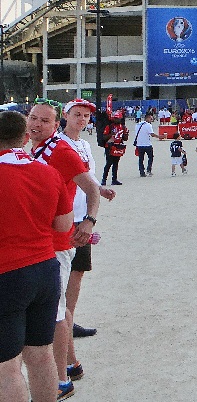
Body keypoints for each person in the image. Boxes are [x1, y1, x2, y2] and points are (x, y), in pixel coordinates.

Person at [0, 110, 73, 402]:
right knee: (41, 355)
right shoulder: (47, 171)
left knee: (7, 367)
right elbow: (64, 225)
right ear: (25, 136)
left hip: (7, 272)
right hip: (45, 268)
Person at [56, 99, 117, 385]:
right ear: (65, 116)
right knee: (64, 274)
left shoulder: (85, 146)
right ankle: (63, 325)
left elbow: (87, 176)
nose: (81, 119)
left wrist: (99, 189)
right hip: (68, 218)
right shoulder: (58, 144)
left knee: (77, 274)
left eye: (85, 116)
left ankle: (70, 320)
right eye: (76, 115)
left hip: (83, 216)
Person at [100, 110, 128, 185]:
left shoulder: (123, 127)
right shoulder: (109, 126)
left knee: (116, 163)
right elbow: (104, 137)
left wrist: (125, 134)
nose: (116, 120)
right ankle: (104, 179)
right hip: (109, 146)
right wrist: (111, 134)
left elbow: (125, 139)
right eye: (115, 118)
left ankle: (114, 179)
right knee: (108, 163)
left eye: (118, 118)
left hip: (118, 146)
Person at [134, 112, 160, 177]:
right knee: (150, 157)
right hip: (147, 144)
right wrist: (160, 136)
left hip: (139, 144)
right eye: (151, 119)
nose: (152, 120)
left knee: (141, 159)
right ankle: (149, 170)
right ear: (147, 118)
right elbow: (152, 134)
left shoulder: (138, 125)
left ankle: (141, 172)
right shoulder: (148, 125)